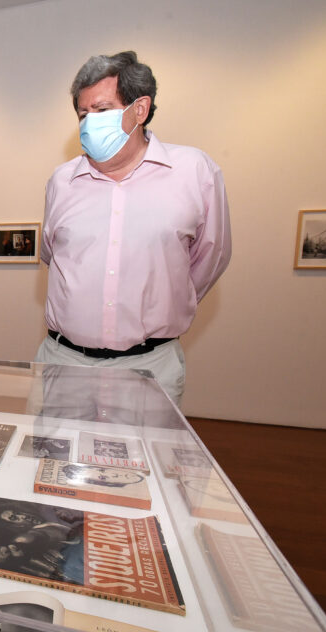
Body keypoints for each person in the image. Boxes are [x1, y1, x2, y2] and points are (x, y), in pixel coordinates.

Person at [36, 51, 231, 405]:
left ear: (139, 109)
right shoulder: (62, 180)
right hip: (63, 363)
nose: (88, 123)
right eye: (82, 114)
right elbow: (54, 256)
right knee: (52, 459)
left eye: (102, 110)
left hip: (150, 366)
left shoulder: (194, 171)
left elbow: (210, 257)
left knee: (145, 461)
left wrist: (162, 299)